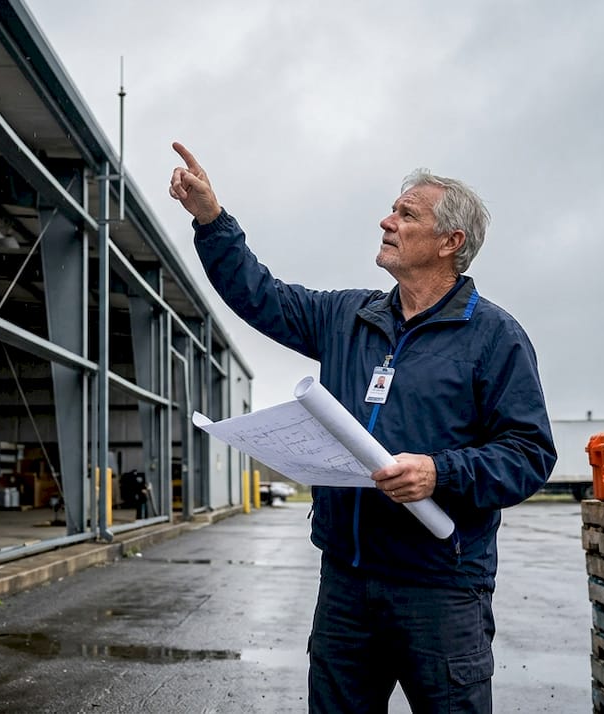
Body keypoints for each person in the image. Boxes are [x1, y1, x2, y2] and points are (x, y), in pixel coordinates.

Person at [168, 142, 556, 713]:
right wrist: (211, 220)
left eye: (406, 214)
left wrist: (438, 472)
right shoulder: (348, 318)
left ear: (451, 243)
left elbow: (528, 454)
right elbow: (259, 296)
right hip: (347, 585)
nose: (387, 220)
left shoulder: (494, 338)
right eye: (391, 209)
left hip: (442, 589)